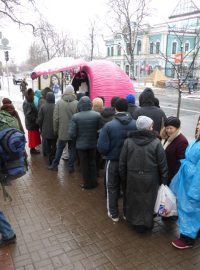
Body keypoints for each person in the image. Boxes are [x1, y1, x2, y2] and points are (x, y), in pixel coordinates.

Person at [119, 116, 168, 232]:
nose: (152, 128)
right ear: (148, 128)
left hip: (132, 176)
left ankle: (134, 222)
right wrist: (164, 180)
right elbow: (163, 164)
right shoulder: (156, 142)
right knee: (148, 200)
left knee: (133, 199)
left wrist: (124, 178)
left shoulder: (128, 141)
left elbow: (122, 163)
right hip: (151, 177)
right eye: (151, 126)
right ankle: (146, 223)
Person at [97, 98, 137, 222]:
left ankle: (113, 214)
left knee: (112, 187)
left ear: (115, 109)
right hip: (130, 163)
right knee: (127, 188)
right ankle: (126, 213)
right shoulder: (135, 124)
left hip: (113, 161)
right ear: (127, 108)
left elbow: (102, 147)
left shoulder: (109, 125)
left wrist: (107, 154)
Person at [170, 117, 200, 249]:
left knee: (189, 209)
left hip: (193, 183)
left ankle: (187, 239)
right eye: (198, 123)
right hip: (188, 180)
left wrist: (195, 191)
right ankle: (196, 232)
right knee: (191, 208)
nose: (198, 126)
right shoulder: (198, 140)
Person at [69, 96, 102, 189]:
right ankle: (94, 182)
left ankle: (87, 183)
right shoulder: (97, 115)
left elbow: (72, 133)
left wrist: (76, 138)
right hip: (93, 144)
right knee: (92, 162)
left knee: (84, 164)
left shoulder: (75, 117)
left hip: (81, 145)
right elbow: (100, 130)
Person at [48, 85, 78, 172]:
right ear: (73, 92)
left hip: (62, 131)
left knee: (60, 148)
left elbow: (55, 118)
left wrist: (55, 130)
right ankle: (71, 167)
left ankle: (55, 165)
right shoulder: (77, 103)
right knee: (72, 149)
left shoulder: (59, 103)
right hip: (73, 131)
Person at [160, 116, 188, 185]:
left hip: (171, 174)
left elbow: (181, 161)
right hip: (163, 171)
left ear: (177, 128)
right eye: (167, 128)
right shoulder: (164, 136)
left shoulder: (182, 141)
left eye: (171, 128)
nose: (168, 130)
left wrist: (173, 177)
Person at [38, 92, 57, 165]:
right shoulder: (56, 106)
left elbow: (40, 120)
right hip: (54, 130)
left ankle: (50, 159)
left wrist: (41, 128)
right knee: (54, 144)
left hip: (46, 130)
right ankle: (53, 157)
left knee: (48, 145)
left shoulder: (43, 107)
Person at [23, 88, 41, 155]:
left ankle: (33, 149)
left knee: (34, 137)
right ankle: (32, 150)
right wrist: (35, 119)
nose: (33, 96)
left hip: (33, 124)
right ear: (29, 95)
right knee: (32, 138)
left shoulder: (30, 101)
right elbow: (28, 115)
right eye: (32, 95)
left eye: (33, 94)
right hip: (31, 124)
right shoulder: (27, 103)